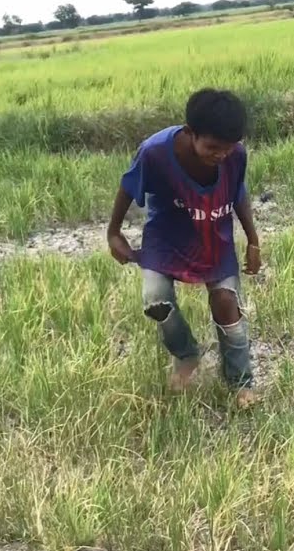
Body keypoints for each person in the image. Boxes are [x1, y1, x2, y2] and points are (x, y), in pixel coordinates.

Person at [106, 88, 262, 409]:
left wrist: (253, 239)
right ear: (190, 133)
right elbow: (128, 185)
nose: (221, 154)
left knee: (225, 302)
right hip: (166, 236)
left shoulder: (236, 155)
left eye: (228, 147)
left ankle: (241, 382)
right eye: (212, 147)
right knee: (156, 301)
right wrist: (113, 233)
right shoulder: (154, 152)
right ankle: (186, 354)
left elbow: (238, 193)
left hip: (212, 234)